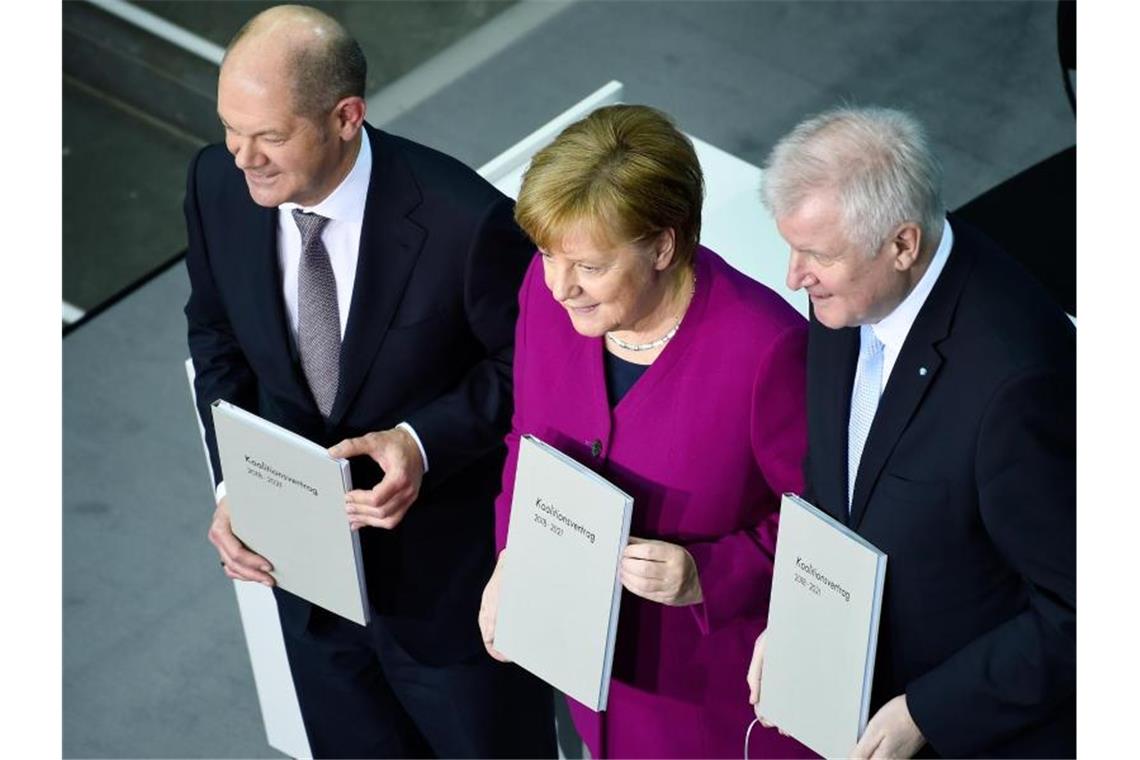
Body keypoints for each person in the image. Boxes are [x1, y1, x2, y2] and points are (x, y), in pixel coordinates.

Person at [184, 5, 555, 757]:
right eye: (230, 129)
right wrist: (235, 488)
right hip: (310, 591)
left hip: (450, 603)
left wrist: (422, 443)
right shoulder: (216, 187)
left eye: (269, 136)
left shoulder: (467, 222)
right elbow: (215, 334)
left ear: (346, 116)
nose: (241, 156)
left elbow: (532, 371)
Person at [476, 104, 814, 758]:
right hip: (589, 680)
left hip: (710, 708)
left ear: (663, 244)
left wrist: (705, 575)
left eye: (590, 267)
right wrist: (511, 559)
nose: (561, 286)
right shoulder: (544, 294)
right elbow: (526, 440)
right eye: (548, 255)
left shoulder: (767, 350)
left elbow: (823, 530)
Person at [747, 106, 1076, 758]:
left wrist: (925, 713)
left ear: (902, 244)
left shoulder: (1015, 384)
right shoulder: (848, 297)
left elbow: (1083, 608)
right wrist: (796, 615)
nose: (792, 276)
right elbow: (836, 483)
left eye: (814, 254)